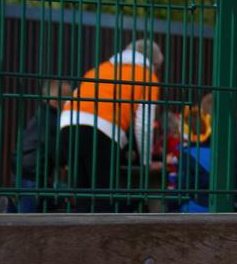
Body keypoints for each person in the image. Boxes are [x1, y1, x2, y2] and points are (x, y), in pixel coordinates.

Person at [58, 39, 162, 212]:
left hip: (68, 124)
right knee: (103, 197)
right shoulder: (147, 77)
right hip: (102, 130)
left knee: (81, 194)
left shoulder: (100, 69)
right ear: (154, 63)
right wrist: (145, 161)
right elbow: (143, 123)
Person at [13, 79, 72, 212]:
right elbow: (55, 148)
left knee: (37, 202)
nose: (70, 103)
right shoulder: (52, 120)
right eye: (68, 99)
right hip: (32, 171)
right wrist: (66, 161)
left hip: (26, 166)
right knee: (28, 211)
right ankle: (10, 211)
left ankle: (10, 209)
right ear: (57, 101)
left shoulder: (43, 114)